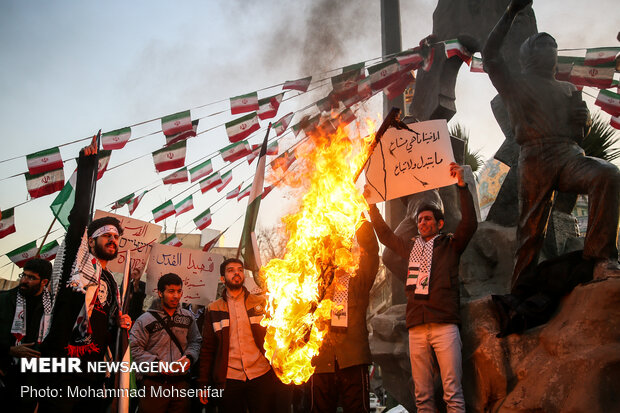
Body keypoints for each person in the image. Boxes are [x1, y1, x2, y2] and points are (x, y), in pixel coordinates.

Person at [483, 0, 620, 296]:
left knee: (607, 175)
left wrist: (582, 123)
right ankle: (520, 289)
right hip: (535, 156)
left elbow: (578, 134)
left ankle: (600, 259)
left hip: (569, 153)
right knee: (531, 228)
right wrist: (510, 13)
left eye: (552, 48)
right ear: (528, 55)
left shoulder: (568, 88)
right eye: (543, 47)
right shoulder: (515, 84)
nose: (550, 52)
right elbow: (490, 55)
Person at [365, 162, 477, 413]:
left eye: (428, 219)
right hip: (416, 329)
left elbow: (469, 224)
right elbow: (386, 236)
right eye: (420, 220)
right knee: (423, 396)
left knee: (453, 392)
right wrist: (371, 206)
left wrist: (462, 186)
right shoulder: (410, 249)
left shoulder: (450, 246)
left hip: (445, 327)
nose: (423, 222)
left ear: (439, 224)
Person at [39, 137, 132, 413]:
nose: (113, 240)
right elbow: (79, 217)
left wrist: (121, 321)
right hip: (63, 365)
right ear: (90, 241)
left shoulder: (112, 282)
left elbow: (110, 320)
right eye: (106, 236)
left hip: (94, 372)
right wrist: (88, 166)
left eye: (116, 237)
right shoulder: (75, 262)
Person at [308, 219, 380, 413]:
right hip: (322, 361)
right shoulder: (314, 288)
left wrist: (361, 219)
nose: (337, 255)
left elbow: (372, 253)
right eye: (333, 252)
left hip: (353, 359)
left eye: (342, 251)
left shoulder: (359, 282)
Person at [198, 258, 281, 413]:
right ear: (222, 278)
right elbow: (207, 349)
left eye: (240, 269)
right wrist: (203, 384)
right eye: (231, 270)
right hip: (230, 379)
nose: (237, 273)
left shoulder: (261, 304)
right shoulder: (213, 309)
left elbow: (276, 337)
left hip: (260, 375)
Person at [129, 273, 201, 413]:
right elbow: (134, 348)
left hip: (181, 385)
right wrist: (156, 364)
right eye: (171, 291)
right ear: (160, 293)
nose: (176, 296)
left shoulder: (188, 317)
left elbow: (196, 341)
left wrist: (189, 358)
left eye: (179, 291)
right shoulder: (145, 320)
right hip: (154, 386)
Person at [0, 258, 52, 413]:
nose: (24, 280)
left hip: (30, 381)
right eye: (23, 275)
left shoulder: (50, 308)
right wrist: (8, 350)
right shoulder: (4, 300)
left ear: (44, 282)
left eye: (31, 278)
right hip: (4, 372)